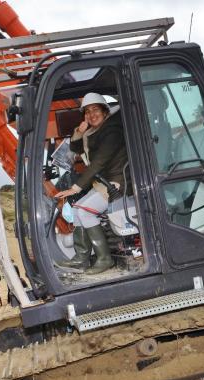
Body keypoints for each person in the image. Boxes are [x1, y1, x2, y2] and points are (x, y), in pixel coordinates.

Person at [54, 92, 129, 274]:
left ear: (105, 111)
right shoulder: (94, 131)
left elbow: (99, 162)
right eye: (87, 111)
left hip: (118, 182)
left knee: (86, 213)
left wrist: (75, 187)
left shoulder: (112, 131)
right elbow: (76, 148)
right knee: (78, 209)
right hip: (103, 183)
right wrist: (79, 132)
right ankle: (82, 258)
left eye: (95, 109)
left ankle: (105, 258)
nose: (91, 114)